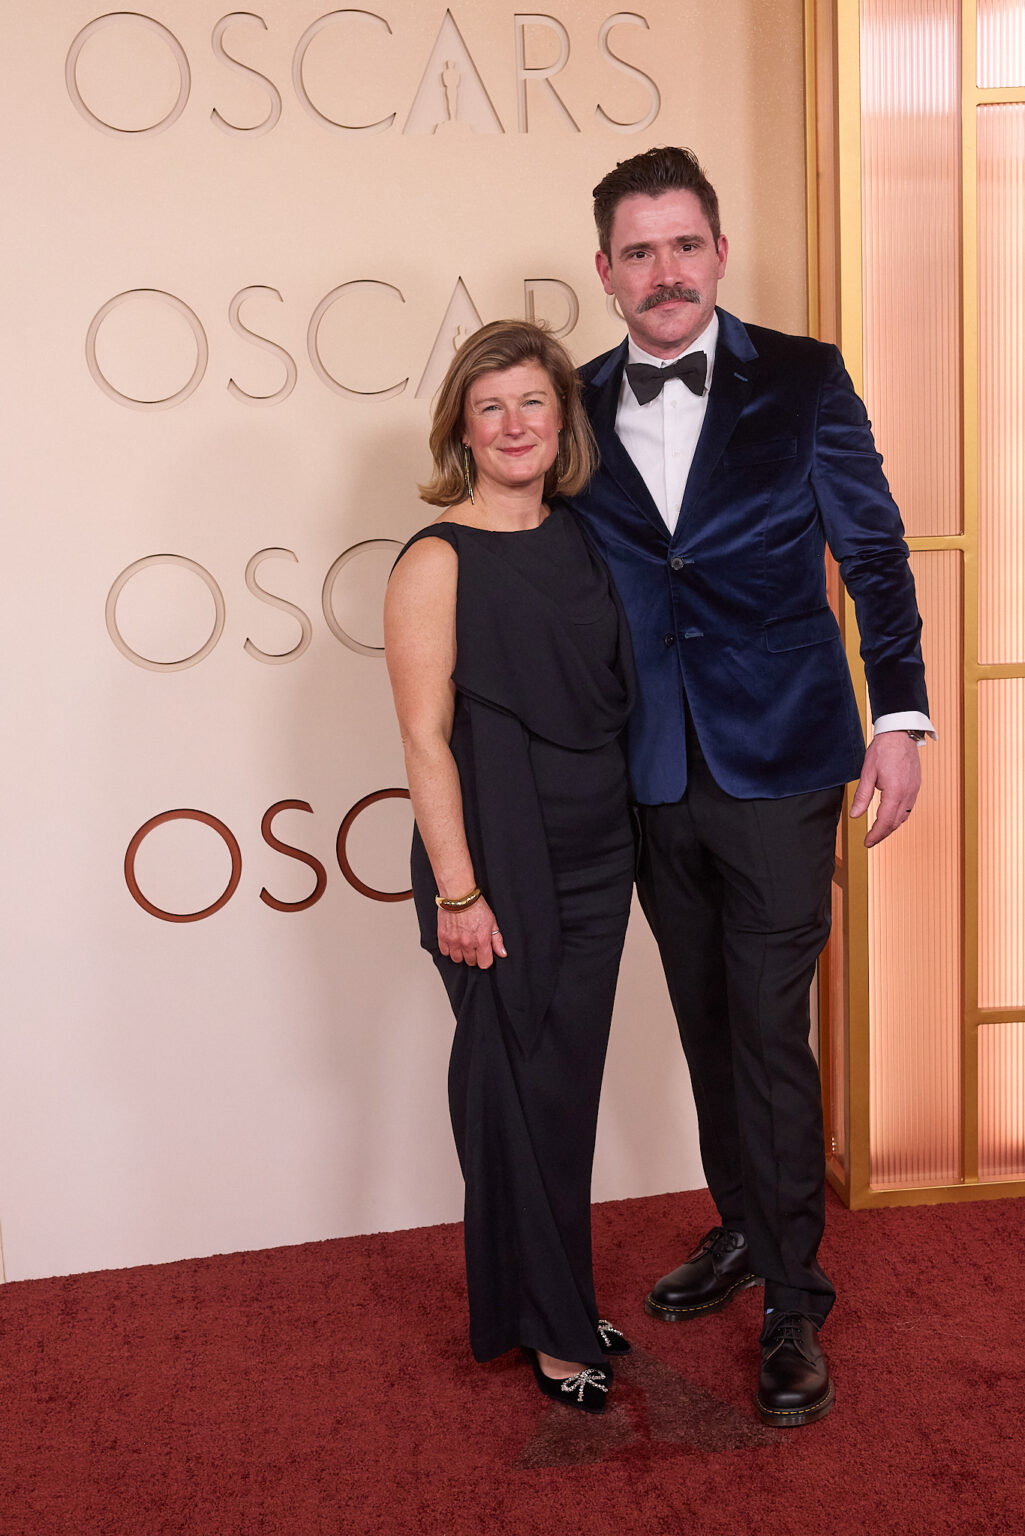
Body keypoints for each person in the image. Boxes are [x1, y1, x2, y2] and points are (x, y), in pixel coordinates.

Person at [567, 146, 933, 1427]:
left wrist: (896, 717)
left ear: (718, 253)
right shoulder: (569, 401)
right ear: (603, 271)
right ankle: (741, 1220)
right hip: (649, 770)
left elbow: (873, 551)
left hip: (781, 759)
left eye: (683, 245)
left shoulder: (805, 378)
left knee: (770, 1026)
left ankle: (790, 1294)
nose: (663, 272)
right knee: (706, 1017)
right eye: (637, 251)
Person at [384, 320, 636, 1415]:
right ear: (462, 429)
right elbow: (423, 740)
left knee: (562, 1088)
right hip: (495, 854)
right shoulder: (435, 558)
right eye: (490, 408)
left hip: (596, 849)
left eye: (531, 402)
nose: (514, 424)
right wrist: (458, 891)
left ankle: (561, 1293)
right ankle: (545, 1329)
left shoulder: (587, 537)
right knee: (511, 1084)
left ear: (559, 419)